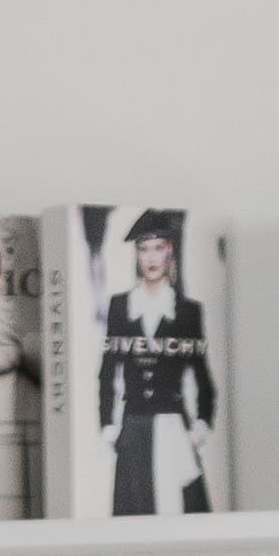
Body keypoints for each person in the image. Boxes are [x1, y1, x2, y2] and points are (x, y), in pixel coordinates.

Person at [96, 214, 219, 518]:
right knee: (135, 516)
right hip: (134, 427)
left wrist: (201, 423)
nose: (151, 257)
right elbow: (108, 371)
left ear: (169, 252)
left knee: (183, 515)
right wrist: (108, 424)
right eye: (144, 249)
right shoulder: (120, 307)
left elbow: (202, 375)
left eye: (158, 248)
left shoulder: (188, 311)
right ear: (137, 255)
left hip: (174, 427)